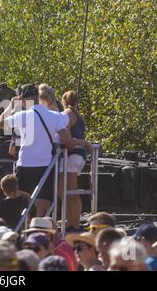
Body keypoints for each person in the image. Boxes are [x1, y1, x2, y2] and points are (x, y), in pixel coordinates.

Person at [0, 84, 85, 216]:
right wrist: (82, 143)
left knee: (21, 203)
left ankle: (24, 230)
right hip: (45, 166)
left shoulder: (22, 115)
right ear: (38, 97)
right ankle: (39, 230)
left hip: (25, 164)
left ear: (24, 100)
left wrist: (11, 106)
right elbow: (66, 140)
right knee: (42, 205)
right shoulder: (55, 116)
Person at [59, 90, 91, 231]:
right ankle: (70, 221)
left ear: (64, 101)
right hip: (78, 156)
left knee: (71, 191)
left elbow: (66, 135)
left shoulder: (66, 114)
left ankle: (74, 223)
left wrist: (77, 142)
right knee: (62, 190)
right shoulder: (79, 116)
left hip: (72, 155)